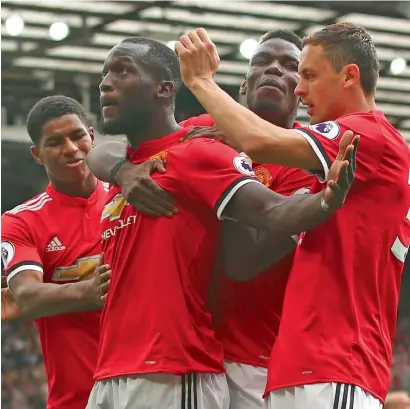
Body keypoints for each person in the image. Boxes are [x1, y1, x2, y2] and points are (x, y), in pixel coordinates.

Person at [85, 36, 356, 409]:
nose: (274, 68)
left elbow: (244, 262)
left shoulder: (305, 167)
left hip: (253, 356)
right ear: (242, 85)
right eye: (261, 61)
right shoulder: (201, 129)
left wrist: (218, 181)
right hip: (181, 346)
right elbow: (113, 148)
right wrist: (124, 172)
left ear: (302, 93)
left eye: (290, 66)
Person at [175, 23, 410, 408]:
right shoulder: (332, 162)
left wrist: (201, 81)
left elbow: (259, 139)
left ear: (349, 76)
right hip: (298, 366)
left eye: (309, 75)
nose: (299, 90)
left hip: (338, 363)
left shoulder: (371, 136)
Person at [1, 95, 111, 409]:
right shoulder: (22, 221)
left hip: (148, 385)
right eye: (54, 142)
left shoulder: (129, 197)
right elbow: (29, 296)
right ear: (37, 154)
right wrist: (87, 291)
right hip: (77, 398)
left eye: (77, 136)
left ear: (92, 136)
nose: (71, 149)